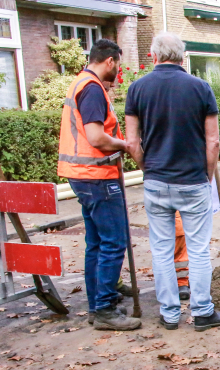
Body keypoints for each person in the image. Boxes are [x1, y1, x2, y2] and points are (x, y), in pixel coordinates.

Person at [125, 32, 220, 331]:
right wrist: (206, 176)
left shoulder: (137, 89)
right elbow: (213, 142)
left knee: (160, 250)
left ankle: (170, 314)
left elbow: (132, 142)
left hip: (156, 181)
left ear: (154, 57)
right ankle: (202, 312)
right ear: (182, 57)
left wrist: (148, 169)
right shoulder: (200, 88)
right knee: (197, 250)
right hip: (193, 180)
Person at [58, 39, 141, 331]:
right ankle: (104, 309)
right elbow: (96, 137)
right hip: (96, 177)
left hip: (83, 176)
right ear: (109, 61)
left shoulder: (80, 83)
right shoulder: (92, 89)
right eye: (117, 66)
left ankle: (97, 305)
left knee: (95, 243)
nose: (118, 72)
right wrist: (127, 145)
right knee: (113, 242)